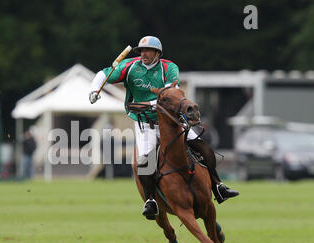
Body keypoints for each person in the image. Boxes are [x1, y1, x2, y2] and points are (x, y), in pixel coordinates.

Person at [89, 36, 239, 219]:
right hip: (145, 123)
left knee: (202, 146)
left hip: (171, 121)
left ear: (157, 53)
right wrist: (94, 90)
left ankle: (217, 185)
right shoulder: (129, 67)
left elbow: (168, 95)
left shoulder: (169, 68)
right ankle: (150, 199)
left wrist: (150, 103)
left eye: (147, 51)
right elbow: (103, 75)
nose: (143, 54)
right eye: (141, 51)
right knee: (145, 160)